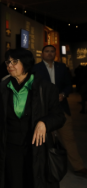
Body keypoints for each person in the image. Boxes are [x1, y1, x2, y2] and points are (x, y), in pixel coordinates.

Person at [0, 48, 66, 188]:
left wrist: (44, 122)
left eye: (14, 61)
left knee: (36, 187)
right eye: (8, 62)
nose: (9, 65)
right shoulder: (5, 87)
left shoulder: (45, 88)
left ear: (26, 63)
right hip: (11, 150)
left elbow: (59, 116)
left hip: (37, 150)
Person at [32, 45, 87, 177]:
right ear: (42, 54)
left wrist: (63, 94)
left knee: (69, 138)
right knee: (45, 140)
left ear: (55, 54)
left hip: (62, 108)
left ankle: (78, 166)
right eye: (47, 51)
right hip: (44, 110)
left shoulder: (61, 67)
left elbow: (69, 85)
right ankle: (46, 166)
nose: (50, 54)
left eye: (52, 51)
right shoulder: (35, 69)